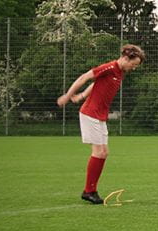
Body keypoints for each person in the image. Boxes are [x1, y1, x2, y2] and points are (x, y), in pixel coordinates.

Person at [56, 44, 145, 204]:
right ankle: (89, 191)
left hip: (100, 115)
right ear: (125, 58)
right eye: (133, 64)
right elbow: (84, 77)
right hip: (90, 113)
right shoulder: (109, 67)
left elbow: (96, 83)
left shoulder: (120, 72)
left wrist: (82, 95)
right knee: (99, 152)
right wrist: (67, 96)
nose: (134, 68)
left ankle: (90, 190)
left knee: (104, 152)